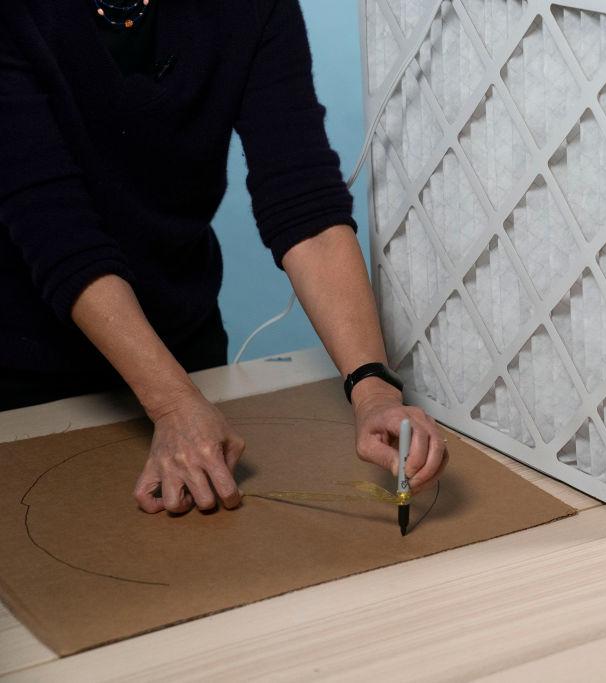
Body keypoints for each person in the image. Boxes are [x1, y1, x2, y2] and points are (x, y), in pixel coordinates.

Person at [0, 0, 448, 514]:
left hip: (185, 358)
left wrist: (373, 390)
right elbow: (57, 229)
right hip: (23, 379)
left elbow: (303, 200)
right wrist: (172, 403)